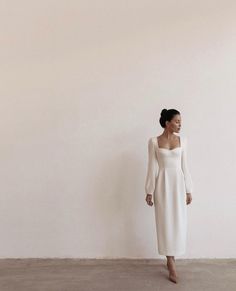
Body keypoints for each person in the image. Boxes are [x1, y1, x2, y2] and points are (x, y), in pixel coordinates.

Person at [144, 108, 193, 284]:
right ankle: (170, 262)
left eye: (181, 121)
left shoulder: (183, 141)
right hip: (162, 184)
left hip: (178, 184)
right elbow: (152, 167)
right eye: (177, 121)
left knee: (178, 221)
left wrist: (189, 188)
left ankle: (172, 257)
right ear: (167, 123)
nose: (180, 124)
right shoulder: (154, 142)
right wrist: (149, 190)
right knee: (164, 222)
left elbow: (185, 167)